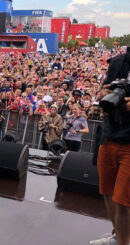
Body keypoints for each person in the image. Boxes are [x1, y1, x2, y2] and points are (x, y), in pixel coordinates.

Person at [89, 51, 130, 245]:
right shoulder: (119, 61)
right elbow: (104, 89)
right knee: (107, 192)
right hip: (109, 135)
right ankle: (117, 236)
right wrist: (105, 92)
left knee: (123, 201)